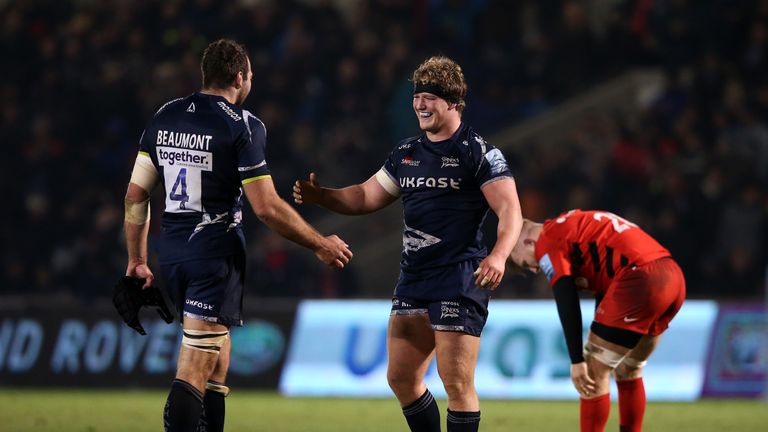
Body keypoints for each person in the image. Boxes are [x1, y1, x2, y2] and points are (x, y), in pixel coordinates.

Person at [122, 38, 353, 432]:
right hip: (214, 255)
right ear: (241, 78)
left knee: (218, 357)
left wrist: (137, 260)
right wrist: (320, 242)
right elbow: (265, 206)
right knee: (195, 364)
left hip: (173, 254)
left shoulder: (165, 116)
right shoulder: (243, 125)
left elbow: (135, 195)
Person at [293, 56, 523, 432]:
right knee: (400, 378)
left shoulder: (478, 152)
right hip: (414, 278)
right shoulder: (406, 153)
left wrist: (498, 257)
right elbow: (366, 196)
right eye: (417, 97)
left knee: (456, 384)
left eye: (430, 97)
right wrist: (324, 197)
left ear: (454, 103)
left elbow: (510, 210)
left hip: (459, 278)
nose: (420, 104)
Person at [506, 209, 686, 432]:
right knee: (629, 368)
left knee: (592, 373)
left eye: (526, 263)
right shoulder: (573, 223)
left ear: (527, 241)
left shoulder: (548, 240)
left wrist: (576, 360)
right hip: (672, 275)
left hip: (639, 279)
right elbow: (607, 283)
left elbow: (565, 296)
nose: (535, 269)